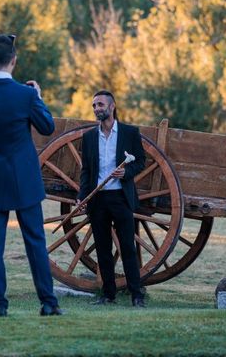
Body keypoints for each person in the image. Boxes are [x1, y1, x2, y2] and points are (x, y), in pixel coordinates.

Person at [0, 34, 63, 317]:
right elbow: (47, 127)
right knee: (35, 240)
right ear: (14, 61)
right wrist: (38, 98)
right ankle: (48, 302)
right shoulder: (27, 95)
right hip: (24, 178)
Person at [77, 90, 146, 307]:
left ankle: (137, 295)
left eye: (100, 104)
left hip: (121, 198)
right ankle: (108, 295)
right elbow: (86, 171)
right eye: (94, 105)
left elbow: (141, 161)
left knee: (127, 247)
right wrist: (82, 197)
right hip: (98, 199)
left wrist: (126, 172)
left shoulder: (129, 133)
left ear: (112, 106)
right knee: (103, 249)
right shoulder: (89, 137)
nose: (97, 108)